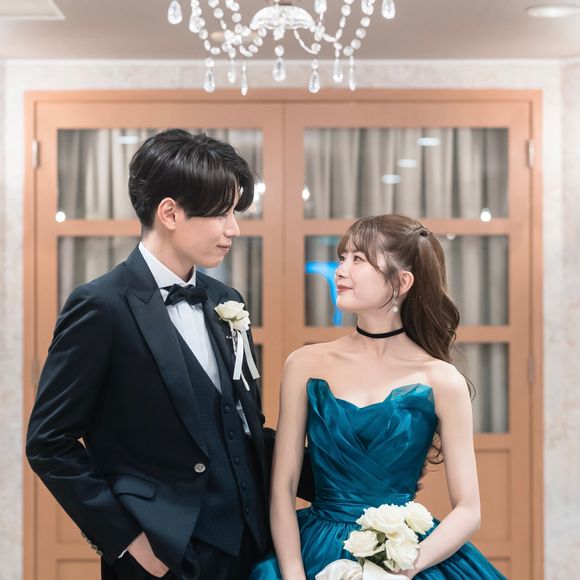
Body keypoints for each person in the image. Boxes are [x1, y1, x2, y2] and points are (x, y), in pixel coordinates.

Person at [26, 129, 276, 580]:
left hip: (250, 548)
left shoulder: (226, 300)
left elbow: (239, 424)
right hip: (162, 557)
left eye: (234, 213)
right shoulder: (101, 305)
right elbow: (49, 442)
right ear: (170, 212)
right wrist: (126, 540)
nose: (233, 229)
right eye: (221, 213)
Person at [250, 214, 506, 579]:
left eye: (358, 259)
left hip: (403, 555)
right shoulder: (305, 364)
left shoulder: (442, 380)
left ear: (402, 282)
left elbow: (469, 510)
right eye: (342, 257)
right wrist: (293, 573)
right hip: (311, 549)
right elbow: (283, 488)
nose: (340, 270)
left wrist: (402, 568)